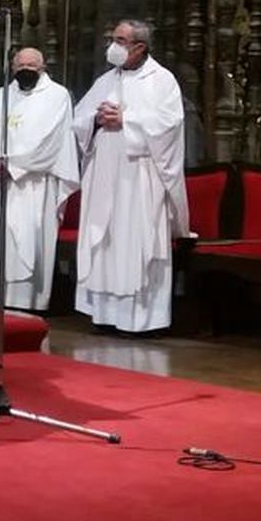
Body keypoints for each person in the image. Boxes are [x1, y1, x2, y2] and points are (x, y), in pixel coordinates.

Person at [71, 19, 190, 334]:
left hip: (139, 177)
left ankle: (141, 320)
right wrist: (95, 120)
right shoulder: (105, 80)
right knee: (107, 238)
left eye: (121, 40)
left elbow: (170, 126)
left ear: (140, 47)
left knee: (135, 239)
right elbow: (79, 119)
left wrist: (128, 119)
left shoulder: (162, 80)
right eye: (113, 38)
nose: (113, 45)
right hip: (104, 172)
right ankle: (105, 316)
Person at [0, 47, 78, 312]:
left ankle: (27, 301)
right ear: (12, 68)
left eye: (31, 66)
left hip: (34, 184)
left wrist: (14, 165)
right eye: (20, 67)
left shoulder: (57, 96)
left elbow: (51, 140)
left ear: (42, 68)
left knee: (28, 240)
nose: (25, 71)